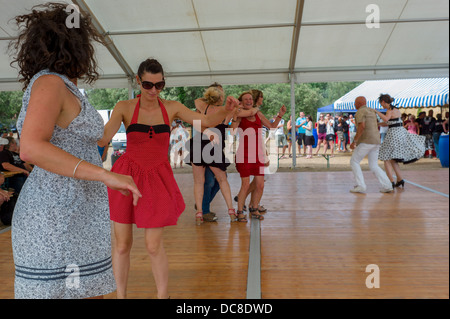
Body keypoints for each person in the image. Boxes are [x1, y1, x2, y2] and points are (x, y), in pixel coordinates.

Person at [8, 2, 141, 299]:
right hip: (55, 215)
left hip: (76, 212)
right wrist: (104, 175)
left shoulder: (62, 85)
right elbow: (30, 148)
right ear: (74, 45)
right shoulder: (50, 82)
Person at [98, 59, 237, 299]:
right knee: (122, 245)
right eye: (148, 85)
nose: (153, 90)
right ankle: (121, 296)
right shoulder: (124, 106)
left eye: (159, 85)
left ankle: (163, 296)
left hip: (156, 178)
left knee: (153, 245)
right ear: (138, 81)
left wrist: (226, 110)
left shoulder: (171, 107)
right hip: (126, 177)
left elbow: (204, 122)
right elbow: (102, 139)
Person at [186, 84, 249, 225]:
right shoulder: (227, 111)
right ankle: (231, 211)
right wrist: (237, 112)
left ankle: (199, 213)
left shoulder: (203, 107)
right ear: (220, 97)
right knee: (221, 180)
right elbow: (236, 126)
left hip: (198, 144)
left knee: (199, 181)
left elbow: (197, 102)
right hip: (213, 147)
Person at [231, 92, 286, 220]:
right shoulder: (239, 115)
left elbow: (272, 127)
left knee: (260, 185)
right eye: (246, 99)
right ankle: (239, 212)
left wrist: (280, 115)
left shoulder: (258, 114)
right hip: (243, 154)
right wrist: (234, 114)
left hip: (258, 154)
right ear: (241, 102)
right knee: (245, 185)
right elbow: (232, 132)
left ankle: (254, 208)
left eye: (250, 99)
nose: (249, 101)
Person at [374, 94, 426, 189]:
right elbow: (389, 122)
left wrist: (376, 111)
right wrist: (377, 123)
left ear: (383, 102)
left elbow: (386, 119)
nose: (382, 106)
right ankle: (400, 179)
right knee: (393, 159)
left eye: (381, 104)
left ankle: (391, 182)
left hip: (393, 134)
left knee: (386, 158)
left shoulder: (389, 111)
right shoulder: (396, 110)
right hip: (399, 133)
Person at [349, 96, 393, 194]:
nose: (354, 105)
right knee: (373, 165)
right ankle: (387, 185)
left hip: (366, 140)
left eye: (355, 103)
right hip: (376, 141)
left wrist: (354, 141)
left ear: (359, 103)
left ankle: (361, 186)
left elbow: (362, 126)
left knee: (354, 161)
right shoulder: (371, 111)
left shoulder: (360, 111)